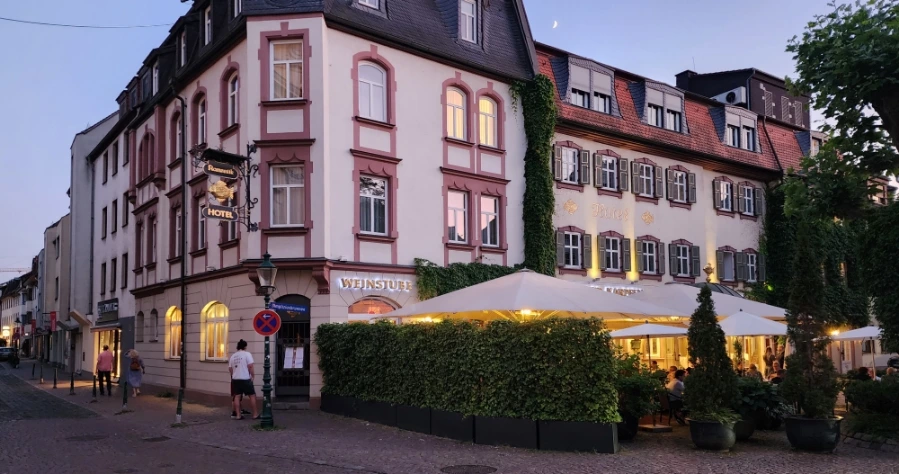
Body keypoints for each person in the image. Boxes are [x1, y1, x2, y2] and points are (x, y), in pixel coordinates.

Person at [229, 339, 258, 420]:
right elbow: (250, 366)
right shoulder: (247, 354)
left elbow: (230, 368)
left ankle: (238, 415)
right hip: (245, 378)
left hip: (235, 379)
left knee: (237, 396)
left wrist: (233, 375)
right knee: (252, 395)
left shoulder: (233, 356)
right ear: (245, 347)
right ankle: (255, 414)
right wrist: (252, 375)